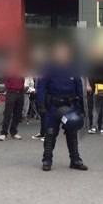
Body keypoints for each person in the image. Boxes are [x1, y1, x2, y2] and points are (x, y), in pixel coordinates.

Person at [37, 43, 88, 172]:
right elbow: (41, 87)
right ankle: (47, 160)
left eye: (64, 52)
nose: (62, 55)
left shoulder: (73, 67)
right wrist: (41, 104)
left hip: (70, 106)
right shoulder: (48, 67)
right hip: (53, 107)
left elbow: (79, 87)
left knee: (72, 133)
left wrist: (81, 107)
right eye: (60, 52)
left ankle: (75, 160)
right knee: (50, 134)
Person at [0, 74, 25, 141]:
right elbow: (4, 78)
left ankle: (13, 132)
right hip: (11, 92)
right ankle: (4, 133)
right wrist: (9, 87)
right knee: (8, 113)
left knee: (18, 113)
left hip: (21, 92)